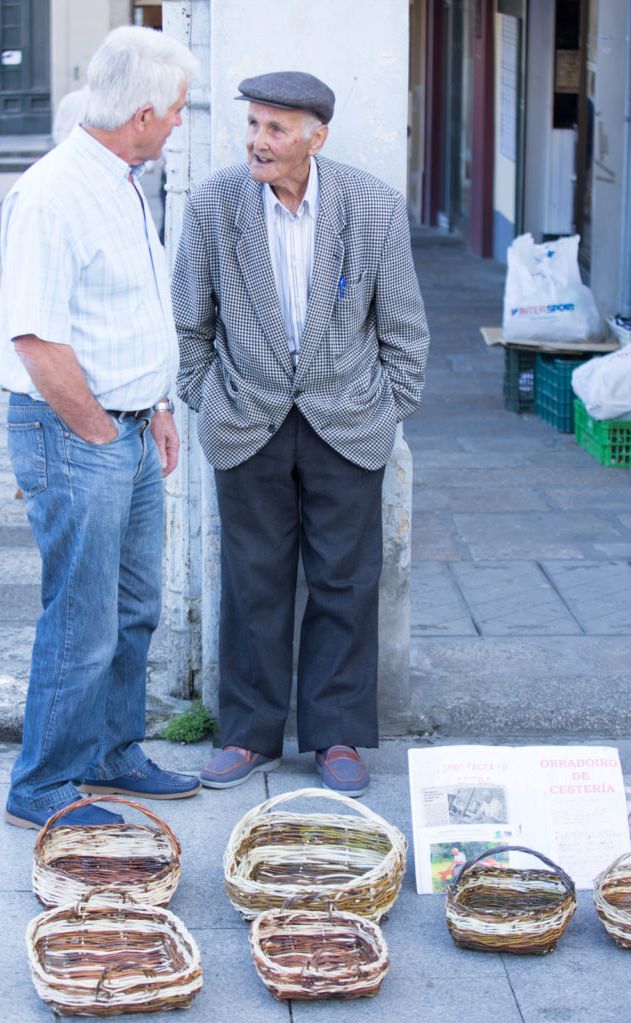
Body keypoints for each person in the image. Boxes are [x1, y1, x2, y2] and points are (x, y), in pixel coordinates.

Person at [173, 71, 430, 796]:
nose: (257, 140)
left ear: (316, 136)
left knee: (345, 581)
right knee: (251, 581)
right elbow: (190, 321)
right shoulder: (212, 205)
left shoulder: (371, 206)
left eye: (275, 128)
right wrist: (205, 396)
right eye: (252, 124)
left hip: (345, 421)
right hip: (245, 417)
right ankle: (248, 735)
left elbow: (404, 327)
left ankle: (336, 733)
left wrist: (389, 405)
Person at [0, 26, 201, 830]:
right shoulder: (52, 192)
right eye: (177, 110)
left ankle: (113, 753)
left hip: (124, 425)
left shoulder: (120, 176)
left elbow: (120, 314)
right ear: (143, 113)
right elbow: (38, 340)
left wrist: (152, 406)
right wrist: (100, 432)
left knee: (133, 606)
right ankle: (42, 785)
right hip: (76, 432)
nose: (182, 122)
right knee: (80, 619)